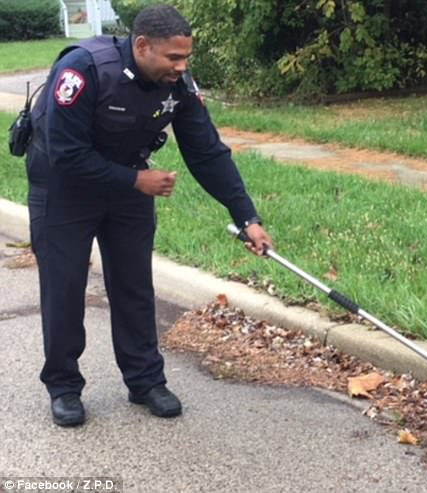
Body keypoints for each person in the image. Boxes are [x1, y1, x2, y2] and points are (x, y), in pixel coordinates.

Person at [26, 4, 272, 427]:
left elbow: (206, 151)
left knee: (134, 285)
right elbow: (67, 155)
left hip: (126, 184)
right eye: (174, 58)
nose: (182, 66)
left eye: (186, 57)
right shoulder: (82, 71)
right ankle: (64, 387)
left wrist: (246, 215)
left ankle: (145, 382)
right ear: (142, 46)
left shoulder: (177, 84)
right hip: (64, 185)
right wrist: (135, 182)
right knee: (64, 288)